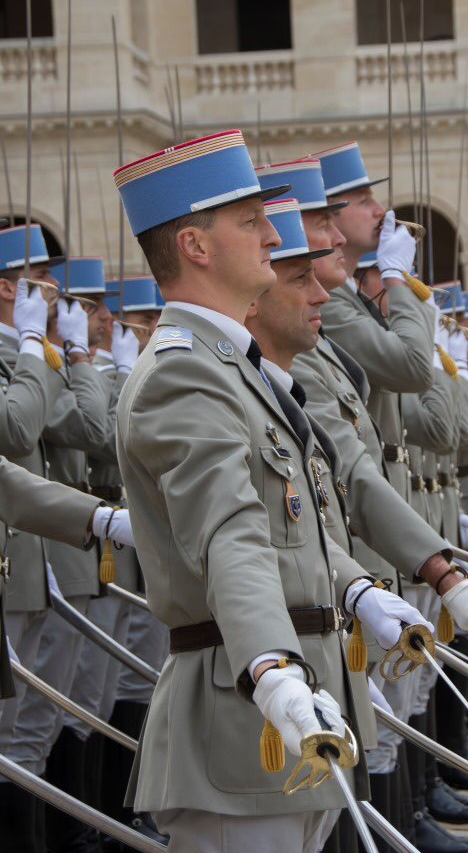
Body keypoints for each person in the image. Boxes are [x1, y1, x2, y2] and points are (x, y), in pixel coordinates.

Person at [115, 129, 363, 853]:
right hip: (241, 711)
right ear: (195, 246)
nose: (270, 234)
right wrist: (272, 669)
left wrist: (359, 594)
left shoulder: (236, 369)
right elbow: (230, 532)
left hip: (285, 701)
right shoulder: (183, 371)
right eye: (250, 221)